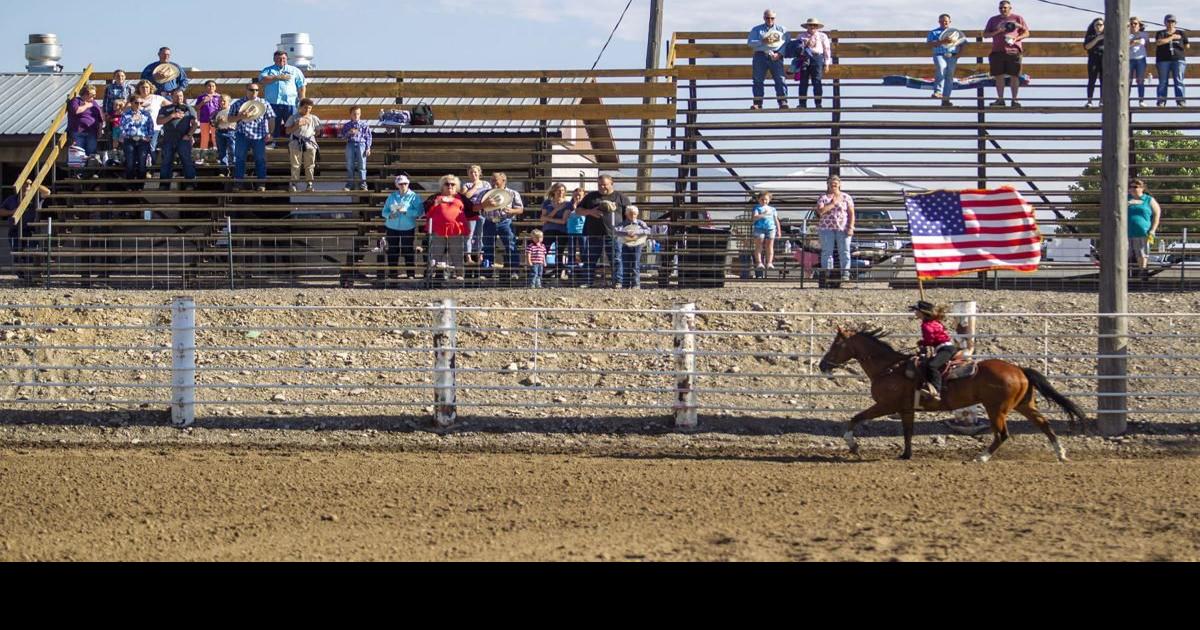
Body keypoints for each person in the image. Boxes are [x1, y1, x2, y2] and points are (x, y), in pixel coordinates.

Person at [578, 174, 630, 288]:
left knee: (616, 259)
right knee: (590, 258)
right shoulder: (591, 197)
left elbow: (629, 215)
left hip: (614, 234)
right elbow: (578, 210)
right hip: (593, 233)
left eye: (605, 185)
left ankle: (617, 282)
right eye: (600, 185)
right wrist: (590, 212)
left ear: (612, 184)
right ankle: (587, 281)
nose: (602, 187)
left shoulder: (621, 197)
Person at [229, 82, 275, 191]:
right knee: (239, 159)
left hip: (259, 135)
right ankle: (238, 183)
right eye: (251, 90)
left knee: (260, 159)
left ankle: (261, 184)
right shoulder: (238, 103)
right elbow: (229, 119)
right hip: (242, 134)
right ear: (246, 90)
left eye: (256, 90)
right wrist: (240, 116)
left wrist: (270, 133)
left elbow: (271, 118)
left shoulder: (264, 103)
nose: (254, 92)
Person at [983, 1, 1031, 108]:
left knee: (1015, 76)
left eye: (1005, 8)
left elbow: (1027, 33)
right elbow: (985, 34)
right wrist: (998, 31)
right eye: (1001, 8)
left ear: (1010, 8)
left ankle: (1014, 100)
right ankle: (1000, 100)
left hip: (1014, 51)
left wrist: (1015, 38)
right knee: (998, 76)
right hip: (997, 51)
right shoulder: (993, 20)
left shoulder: (1017, 18)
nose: (1003, 9)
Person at [479, 172, 524, 280]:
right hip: (489, 221)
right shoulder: (485, 193)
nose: (493, 182)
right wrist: (485, 204)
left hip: (505, 221)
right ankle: (487, 271)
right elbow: (477, 207)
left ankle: (513, 271)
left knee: (511, 246)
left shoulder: (513, 193)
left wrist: (512, 210)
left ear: (503, 181)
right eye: (492, 180)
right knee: (487, 247)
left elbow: (520, 209)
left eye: (495, 180)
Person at [259, 50, 307, 148]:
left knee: (292, 124)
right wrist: (277, 77)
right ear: (274, 59)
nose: (281, 60)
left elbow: (301, 86)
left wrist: (302, 99)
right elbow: (262, 80)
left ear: (287, 59)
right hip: (272, 103)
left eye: (284, 58)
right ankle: (272, 143)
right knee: (273, 126)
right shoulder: (268, 70)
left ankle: (294, 143)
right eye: (278, 58)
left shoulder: (295, 71)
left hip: (290, 103)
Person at [911, 300, 957, 402]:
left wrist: (922, 343)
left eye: (916, 310)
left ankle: (936, 390)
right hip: (946, 347)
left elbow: (929, 340)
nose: (915, 312)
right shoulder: (934, 322)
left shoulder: (926, 325)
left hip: (945, 349)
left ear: (922, 312)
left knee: (932, 365)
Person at [382, 175, 425, 280]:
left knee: (408, 250)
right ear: (397, 185)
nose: (403, 186)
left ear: (408, 184)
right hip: (392, 227)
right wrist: (389, 215)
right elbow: (384, 212)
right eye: (401, 184)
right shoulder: (392, 196)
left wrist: (406, 211)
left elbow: (420, 212)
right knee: (392, 250)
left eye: (405, 183)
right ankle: (393, 273)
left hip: (408, 227)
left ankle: (410, 273)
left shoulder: (414, 196)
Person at [785, 18, 832, 109]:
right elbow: (796, 49)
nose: (812, 27)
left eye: (815, 25)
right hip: (804, 58)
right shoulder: (801, 36)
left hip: (817, 57)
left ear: (817, 27)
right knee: (803, 81)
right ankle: (802, 103)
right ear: (807, 26)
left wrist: (827, 63)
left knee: (817, 81)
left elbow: (827, 50)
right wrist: (803, 45)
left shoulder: (822, 36)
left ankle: (818, 103)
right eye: (810, 25)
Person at [425, 175, 467, 278]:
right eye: (447, 184)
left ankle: (459, 275)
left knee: (457, 254)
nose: (450, 186)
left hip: (456, 230)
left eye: (453, 184)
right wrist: (435, 204)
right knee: (435, 253)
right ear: (442, 186)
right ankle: (432, 275)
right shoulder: (434, 198)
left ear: (456, 186)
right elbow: (427, 214)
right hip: (438, 229)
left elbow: (473, 210)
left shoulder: (461, 198)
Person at [815, 175, 855, 284]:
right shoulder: (823, 197)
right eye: (831, 183)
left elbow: (851, 213)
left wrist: (851, 227)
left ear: (839, 184)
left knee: (845, 251)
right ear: (828, 185)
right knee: (827, 252)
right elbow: (821, 211)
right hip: (826, 228)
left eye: (836, 183)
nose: (833, 185)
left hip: (843, 228)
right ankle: (827, 273)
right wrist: (833, 203)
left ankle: (845, 273)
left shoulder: (846, 197)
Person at [746, 9, 789, 110]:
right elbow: (750, 43)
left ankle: (783, 101)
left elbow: (787, 43)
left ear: (775, 18)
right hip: (760, 55)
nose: (770, 20)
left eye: (772, 18)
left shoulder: (782, 29)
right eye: (767, 18)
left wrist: (779, 54)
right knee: (758, 80)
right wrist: (763, 41)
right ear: (764, 18)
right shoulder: (756, 29)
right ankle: (757, 103)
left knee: (780, 79)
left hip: (776, 56)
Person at [156, 89, 198, 185]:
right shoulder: (165, 108)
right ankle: (164, 185)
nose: (179, 98)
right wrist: (172, 116)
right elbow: (159, 121)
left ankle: (190, 184)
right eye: (177, 96)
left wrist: (189, 135)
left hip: (183, 139)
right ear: (172, 96)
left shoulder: (189, 108)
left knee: (186, 160)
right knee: (166, 161)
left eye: (181, 96)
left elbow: (195, 124)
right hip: (168, 139)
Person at [1, 179, 50, 254]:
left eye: (28, 184)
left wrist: (34, 183)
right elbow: (1, 211)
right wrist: (12, 212)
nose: (27, 185)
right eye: (24, 183)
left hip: (32, 232)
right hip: (14, 232)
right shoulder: (12, 199)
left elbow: (47, 192)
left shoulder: (35, 198)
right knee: (17, 257)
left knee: (30, 257)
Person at [284, 98, 321, 192]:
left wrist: (315, 132)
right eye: (305, 108)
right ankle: (294, 183)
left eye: (309, 108)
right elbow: (287, 131)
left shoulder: (314, 118)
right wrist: (297, 125)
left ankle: (309, 184)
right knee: (295, 165)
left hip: (310, 143)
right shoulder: (293, 117)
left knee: (310, 165)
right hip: (296, 142)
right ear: (300, 107)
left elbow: (317, 132)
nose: (307, 110)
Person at [118, 98, 154, 189]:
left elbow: (151, 126)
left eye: (141, 103)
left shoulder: (146, 114)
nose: (138, 105)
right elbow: (122, 128)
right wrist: (131, 120)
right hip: (130, 139)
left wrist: (149, 137)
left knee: (142, 163)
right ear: (131, 103)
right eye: (136, 102)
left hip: (143, 140)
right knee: (130, 163)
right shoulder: (126, 114)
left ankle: (140, 185)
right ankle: (130, 185)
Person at [1128, 179, 1162, 273]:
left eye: (1135, 187)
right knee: (1125, 254)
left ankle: (1142, 273)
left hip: (1142, 232)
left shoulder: (1148, 199)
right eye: (1130, 187)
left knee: (1142, 254)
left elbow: (1157, 213)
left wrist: (1153, 229)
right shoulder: (1125, 198)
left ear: (1142, 188)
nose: (1132, 189)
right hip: (1125, 233)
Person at [539, 183, 572, 280]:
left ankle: (558, 273)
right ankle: (542, 272)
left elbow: (563, 221)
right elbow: (542, 219)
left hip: (562, 231)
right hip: (548, 230)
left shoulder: (567, 204)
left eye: (562, 190)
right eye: (558, 190)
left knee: (560, 252)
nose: (561, 192)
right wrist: (556, 210)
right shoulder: (547, 203)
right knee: (544, 251)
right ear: (554, 191)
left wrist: (549, 218)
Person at [926, 14, 961, 106]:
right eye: (942, 21)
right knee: (941, 68)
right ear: (939, 22)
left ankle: (946, 99)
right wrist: (942, 41)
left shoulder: (955, 32)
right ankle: (937, 91)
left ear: (949, 22)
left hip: (951, 55)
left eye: (946, 21)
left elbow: (963, 42)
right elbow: (929, 44)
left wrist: (959, 54)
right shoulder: (934, 32)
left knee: (949, 76)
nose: (944, 22)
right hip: (939, 54)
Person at [1155, 15, 1189, 107]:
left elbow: (1187, 45)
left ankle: (1180, 101)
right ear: (1165, 23)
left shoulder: (1181, 33)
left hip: (1178, 59)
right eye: (1168, 21)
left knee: (1179, 80)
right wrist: (1172, 37)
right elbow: (1159, 42)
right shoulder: (1161, 33)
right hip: (1163, 60)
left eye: (1172, 22)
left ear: (1175, 23)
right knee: (1163, 81)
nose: (1170, 23)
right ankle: (1161, 101)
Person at [461, 165, 491, 265]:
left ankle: (479, 255)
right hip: (470, 213)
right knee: (469, 235)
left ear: (480, 173)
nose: (473, 174)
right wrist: (474, 187)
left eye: (475, 172)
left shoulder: (486, 184)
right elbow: (465, 197)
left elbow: (490, 194)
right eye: (471, 172)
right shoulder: (467, 185)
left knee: (480, 235)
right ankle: (468, 256)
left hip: (483, 212)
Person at [133, 80, 170, 159]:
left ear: (150, 88)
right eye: (142, 87)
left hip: (154, 127)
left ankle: (153, 167)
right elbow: (126, 110)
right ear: (139, 89)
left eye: (147, 87)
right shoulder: (135, 99)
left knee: (151, 147)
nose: (145, 89)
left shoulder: (157, 98)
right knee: (140, 149)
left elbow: (171, 106)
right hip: (138, 129)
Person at [616, 205, 651, 289]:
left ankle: (636, 284)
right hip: (625, 244)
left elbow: (648, 230)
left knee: (635, 264)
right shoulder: (623, 223)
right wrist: (626, 233)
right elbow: (616, 230)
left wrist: (636, 232)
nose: (633, 216)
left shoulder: (640, 223)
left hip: (637, 244)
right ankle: (626, 284)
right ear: (626, 214)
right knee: (626, 264)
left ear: (637, 214)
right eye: (630, 214)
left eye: (634, 214)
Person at [67, 85, 105, 157]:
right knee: (78, 153)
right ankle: (79, 168)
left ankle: (90, 167)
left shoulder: (94, 103)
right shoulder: (76, 101)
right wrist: (86, 106)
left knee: (91, 153)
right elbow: (76, 111)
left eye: (95, 95)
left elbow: (100, 119)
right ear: (85, 93)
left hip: (92, 132)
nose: (94, 96)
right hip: (78, 131)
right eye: (92, 94)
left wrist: (100, 131)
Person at [341, 106, 372, 191]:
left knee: (362, 165)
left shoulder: (364, 125)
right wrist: (349, 133)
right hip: (350, 144)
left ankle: (363, 184)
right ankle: (349, 184)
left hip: (361, 145)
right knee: (350, 165)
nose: (356, 115)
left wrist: (368, 148)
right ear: (350, 115)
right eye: (354, 114)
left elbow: (368, 137)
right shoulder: (347, 125)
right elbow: (342, 136)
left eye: (358, 114)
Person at [752, 190, 782, 270]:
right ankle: (759, 263)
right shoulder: (757, 208)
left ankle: (769, 263)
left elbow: (776, 220)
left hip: (771, 228)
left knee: (770, 246)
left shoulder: (773, 209)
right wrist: (763, 214)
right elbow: (754, 218)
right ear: (759, 199)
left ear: (769, 200)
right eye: (762, 199)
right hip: (759, 228)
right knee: (759, 246)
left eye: (766, 199)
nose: (764, 201)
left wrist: (779, 231)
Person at [195, 80, 223, 158]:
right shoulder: (201, 97)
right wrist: (203, 102)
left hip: (215, 120)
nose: (211, 87)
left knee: (215, 136)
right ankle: (203, 155)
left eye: (213, 86)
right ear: (205, 87)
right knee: (204, 137)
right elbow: (197, 108)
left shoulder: (219, 97)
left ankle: (217, 153)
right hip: (204, 119)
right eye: (209, 86)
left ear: (215, 87)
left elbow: (222, 107)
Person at [1129, 17, 1151, 106]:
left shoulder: (1144, 34)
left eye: (1135, 23)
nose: (1133, 25)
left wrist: (1131, 42)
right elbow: (1124, 44)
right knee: (1127, 81)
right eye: (1131, 24)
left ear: (1139, 25)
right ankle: (1126, 101)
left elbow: (1142, 42)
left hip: (1141, 59)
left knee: (1140, 80)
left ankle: (1141, 100)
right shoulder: (1125, 34)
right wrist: (1133, 42)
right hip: (1129, 60)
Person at [212, 95, 237, 173]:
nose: (222, 102)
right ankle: (224, 170)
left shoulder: (232, 111)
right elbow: (215, 125)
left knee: (232, 150)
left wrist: (226, 120)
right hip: (220, 132)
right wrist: (218, 122)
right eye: (220, 101)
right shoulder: (217, 112)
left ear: (229, 102)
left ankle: (233, 168)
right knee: (222, 152)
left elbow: (236, 121)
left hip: (230, 132)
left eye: (224, 101)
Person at [1083, 18, 1105, 107]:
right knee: (1092, 79)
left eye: (1101, 25)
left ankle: (1102, 100)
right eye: (1097, 25)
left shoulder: (1107, 36)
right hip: (1093, 59)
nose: (1099, 27)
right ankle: (1089, 100)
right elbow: (1087, 47)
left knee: (1103, 81)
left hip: (1104, 59)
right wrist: (1097, 39)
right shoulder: (1090, 36)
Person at [566, 187, 587, 276]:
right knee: (571, 250)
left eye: (579, 196)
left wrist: (578, 209)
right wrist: (574, 209)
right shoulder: (569, 205)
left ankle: (584, 268)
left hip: (583, 230)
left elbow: (583, 215)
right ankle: (571, 269)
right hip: (571, 230)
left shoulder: (586, 205)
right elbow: (567, 216)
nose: (577, 197)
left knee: (584, 250)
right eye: (575, 196)